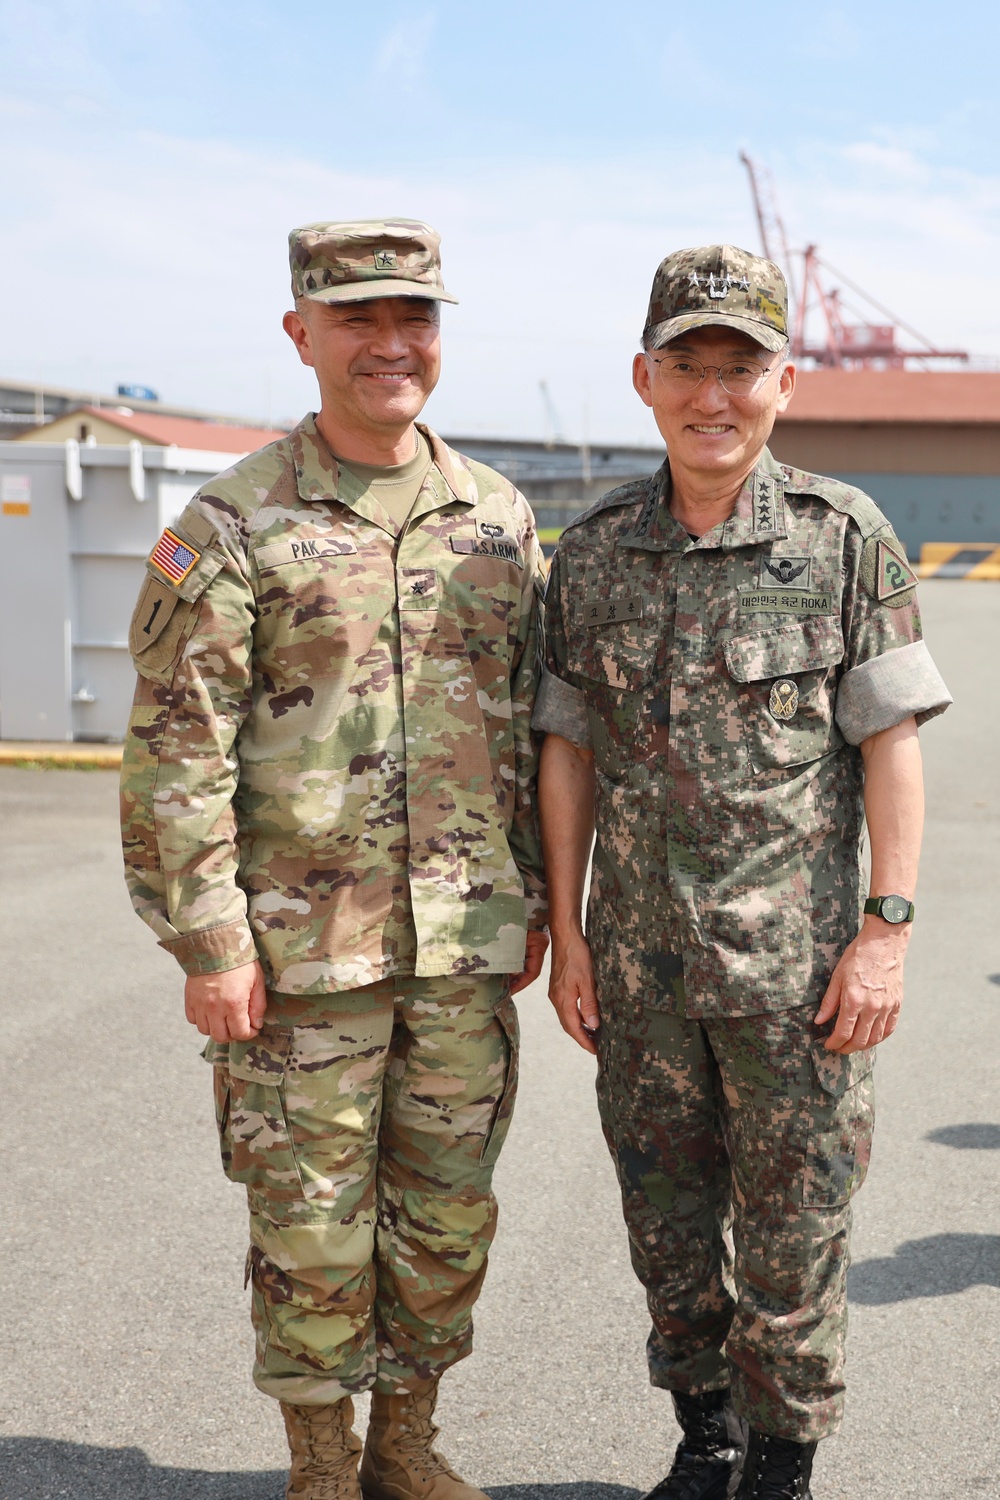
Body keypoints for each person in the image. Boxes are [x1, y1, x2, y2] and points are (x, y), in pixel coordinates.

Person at [120, 219, 548, 1500]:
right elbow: (173, 754)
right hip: (301, 951)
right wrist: (206, 942)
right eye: (356, 319)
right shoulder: (237, 523)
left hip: (462, 945)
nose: (389, 343)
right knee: (308, 1225)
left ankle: (406, 1443)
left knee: (445, 1215)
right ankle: (320, 1462)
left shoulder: (497, 516)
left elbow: (536, 724)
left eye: (412, 317)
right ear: (301, 333)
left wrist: (540, 905)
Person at [533, 244, 951, 1500]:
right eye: (686, 368)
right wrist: (569, 929)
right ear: (644, 380)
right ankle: (703, 1434)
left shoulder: (841, 538)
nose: (712, 396)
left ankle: (782, 1459)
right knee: (664, 1229)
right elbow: (567, 754)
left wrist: (885, 931)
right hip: (643, 974)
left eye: (740, 369)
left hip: (799, 977)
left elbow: (890, 746)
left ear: (784, 381)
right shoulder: (595, 551)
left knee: (795, 1233)